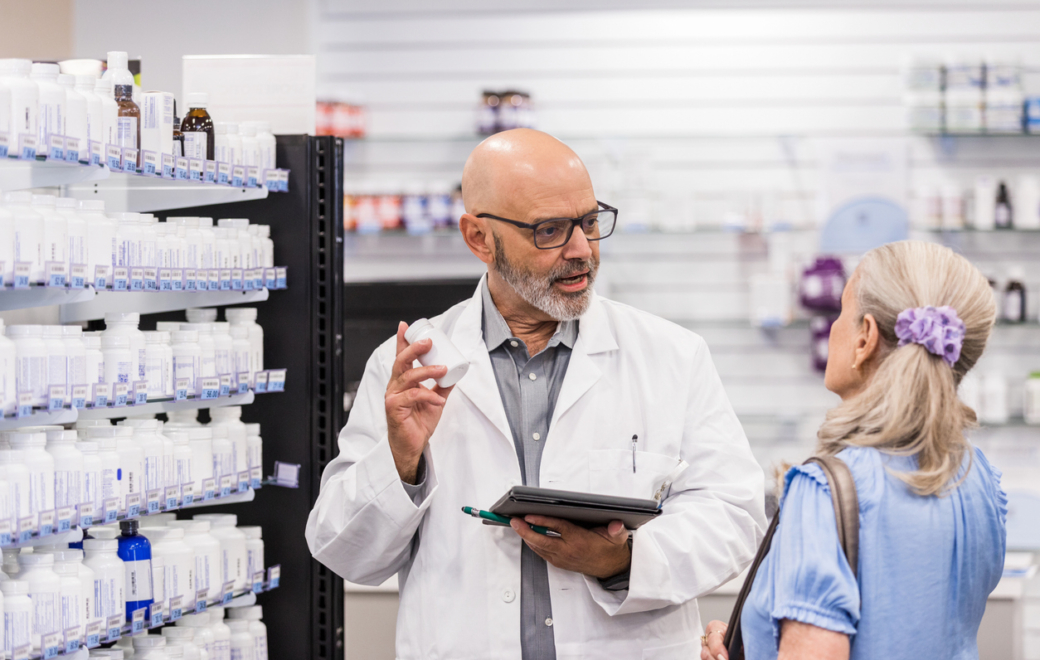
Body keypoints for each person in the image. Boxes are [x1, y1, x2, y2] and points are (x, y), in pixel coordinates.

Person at [306, 128, 766, 658]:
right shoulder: (411, 366)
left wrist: (622, 560)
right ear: (479, 238)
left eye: (589, 222)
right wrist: (400, 462)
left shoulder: (672, 355)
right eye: (549, 230)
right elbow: (345, 553)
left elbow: (735, 517)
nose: (582, 250)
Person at [701, 240, 1007, 660]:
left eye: (840, 313)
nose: (831, 329)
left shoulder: (824, 491)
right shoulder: (980, 478)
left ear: (865, 337)